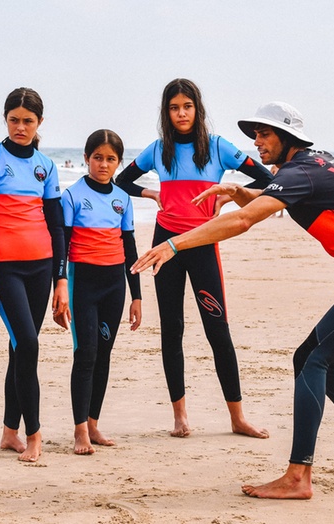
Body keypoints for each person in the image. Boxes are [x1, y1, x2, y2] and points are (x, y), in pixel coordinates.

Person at [132, 101, 334, 500]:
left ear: (288, 137)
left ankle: (297, 476)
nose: (257, 142)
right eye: (255, 134)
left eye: (264, 134)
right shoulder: (314, 164)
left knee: (312, 360)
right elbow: (268, 200)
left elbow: (244, 220)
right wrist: (239, 190)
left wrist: (173, 243)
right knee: (324, 363)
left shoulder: (300, 171)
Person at [114, 78, 271, 439]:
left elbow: (267, 179)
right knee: (172, 330)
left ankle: (237, 417)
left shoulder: (218, 148)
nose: (181, 113)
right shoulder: (158, 150)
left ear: (197, 109)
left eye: (187, 106)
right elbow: (123, 180)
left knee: (218, 329)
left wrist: (231, 193)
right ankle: (180, 417)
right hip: (165, 245)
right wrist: (152, 193)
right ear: (166, 113)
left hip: (202, 244)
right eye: (173, 107)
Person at [0, 87, 68, 462]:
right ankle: (35, 436)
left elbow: (57, 226)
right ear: (5, 120)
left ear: (39, 123)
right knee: (28, 344)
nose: (21, 127)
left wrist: (61, 279)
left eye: (28, 121)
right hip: (6, 269)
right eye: (14, 120)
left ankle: (9, 433)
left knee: (19, 350)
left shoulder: (45, 165)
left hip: (42, 267)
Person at [62, 130, 141, 455]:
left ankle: (93, 424)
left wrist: (136, 295)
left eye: (110, 159)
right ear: (86, 158)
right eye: (98, 157)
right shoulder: (72, 196)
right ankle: (80, 430)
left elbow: (130, 246)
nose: (103, 164)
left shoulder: (123, 199)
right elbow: (62, 247)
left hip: (114, 286)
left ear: (118, 162)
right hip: (83, 284)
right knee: (86, 355)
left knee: (104, 356)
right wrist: (61, 287)